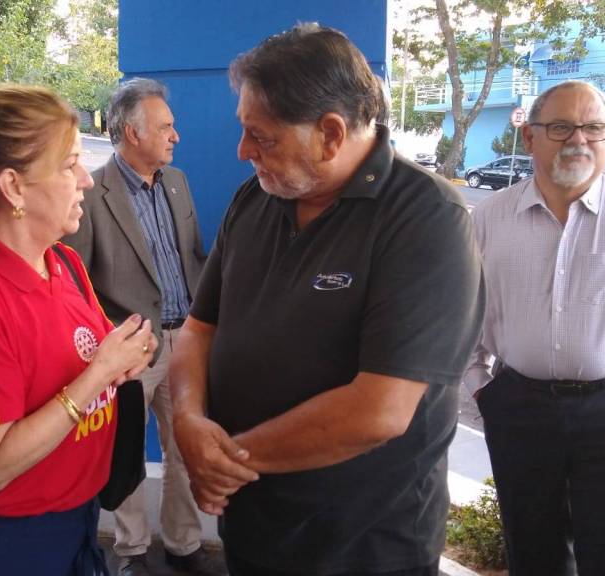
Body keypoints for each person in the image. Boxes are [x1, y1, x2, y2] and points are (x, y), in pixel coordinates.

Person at [170, 23, 484, 576]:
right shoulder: (256, 198)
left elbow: (379, 410)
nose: (243, 151)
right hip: (254, 524)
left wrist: (224, 461)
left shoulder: (426, 219)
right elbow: (200, 329)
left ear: (331, 134)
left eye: (262, 136)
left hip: (362, 545)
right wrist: (188, 420)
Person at [0, 84, 158, 576]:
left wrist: (131, 352)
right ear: (13, 187)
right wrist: (100, 373)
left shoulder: (64, 263)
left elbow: (98, 353)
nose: (86, 180)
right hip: (9, 543)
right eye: (70, 165)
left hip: (76, 522)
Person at [465, 80, 605, 576]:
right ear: (530, 137)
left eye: (594, 128)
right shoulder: (491, 217)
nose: (579, 140)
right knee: (531, 552)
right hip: (519, 405)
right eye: (561, 127)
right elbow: (465, 312)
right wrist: (481, 387)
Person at [63, 78, 212, 576]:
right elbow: (76, 281)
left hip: (184, 341)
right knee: (125, 452)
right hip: (128, 349)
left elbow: (193, 257)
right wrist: (112, 341)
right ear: (132, 132)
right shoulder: (94, 193)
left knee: (185, 449)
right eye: (166, 127)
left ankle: (184, 545)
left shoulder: (177, 182)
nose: (175, 136)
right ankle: (131, 552)